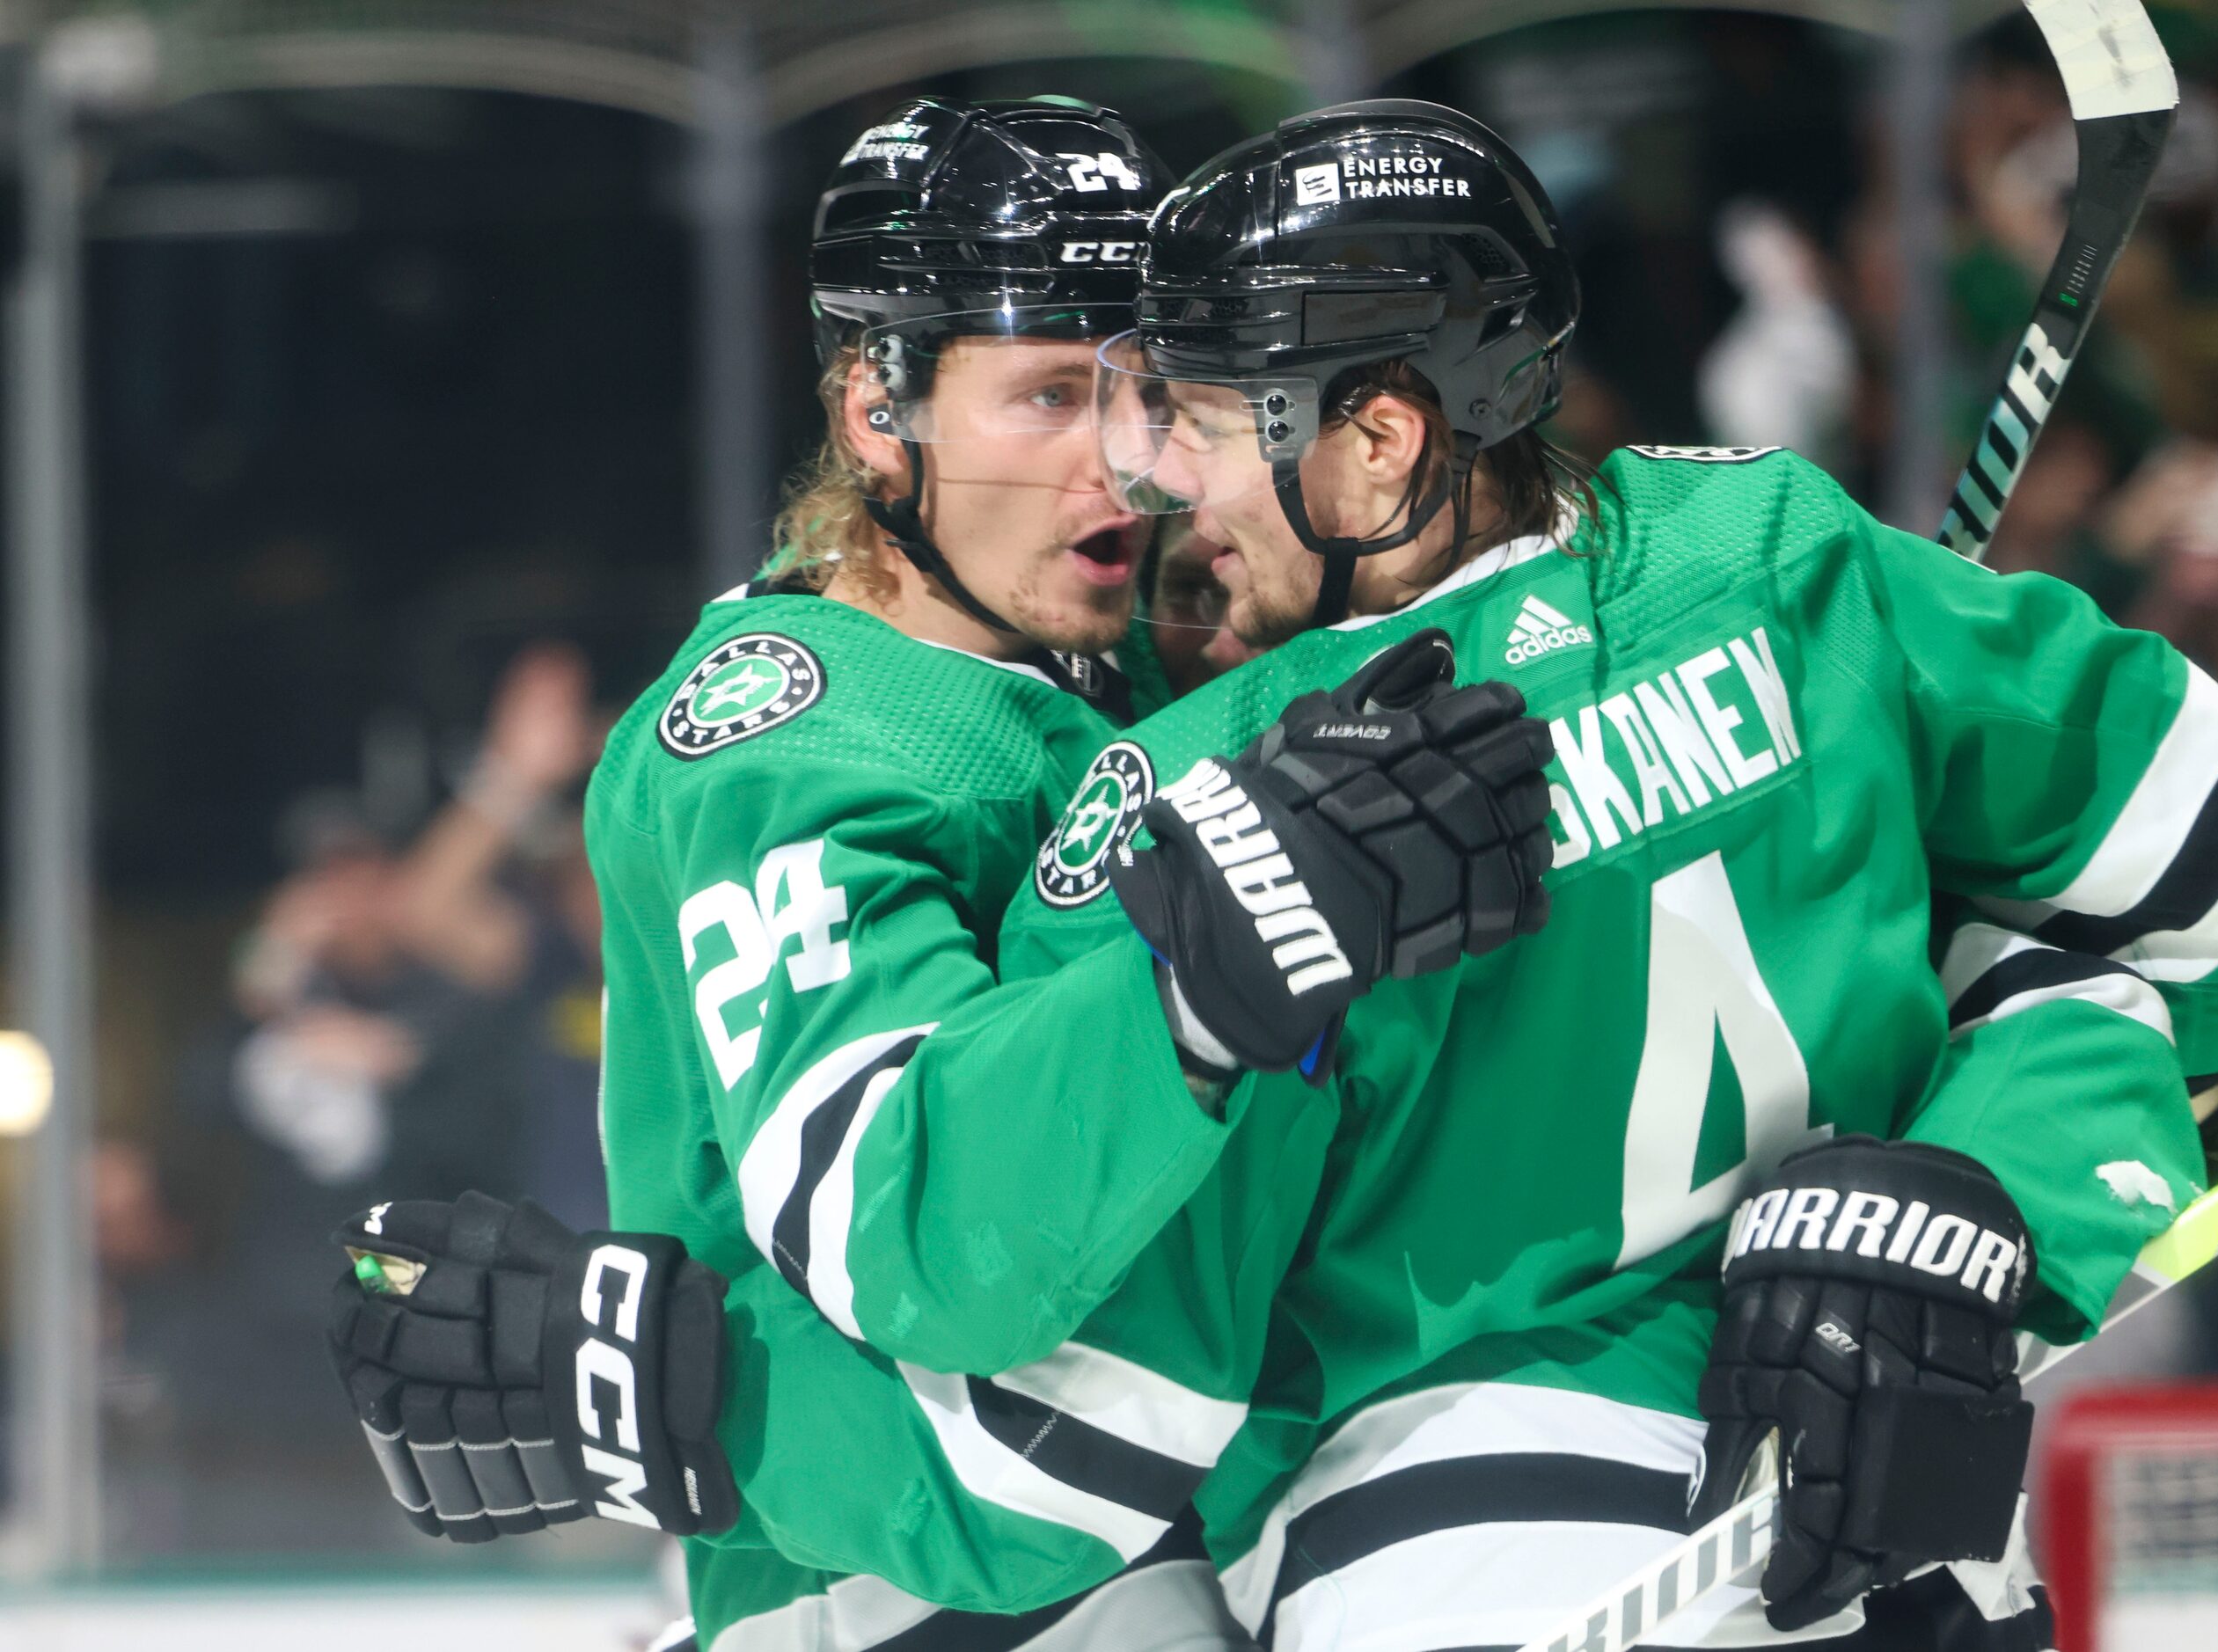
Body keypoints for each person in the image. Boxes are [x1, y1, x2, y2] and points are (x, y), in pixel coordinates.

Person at [985, 99, 2218, 1648]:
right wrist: (1989, 1161)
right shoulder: (1780, 551)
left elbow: (1028, 1372)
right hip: (1905, 1538)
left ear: (1380, 438)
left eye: (1196, 416)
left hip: (1447, 1566)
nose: (1165, 476)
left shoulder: (1196, 780)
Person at [326, 94, 1554, 1651]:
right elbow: (907, 1220)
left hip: (1164, 1535)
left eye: (1153, 393)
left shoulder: (1122, 651)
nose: (1125, 464)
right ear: (873, 412)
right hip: (907, 1587)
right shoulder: (787, 742)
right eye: (1048, 396)